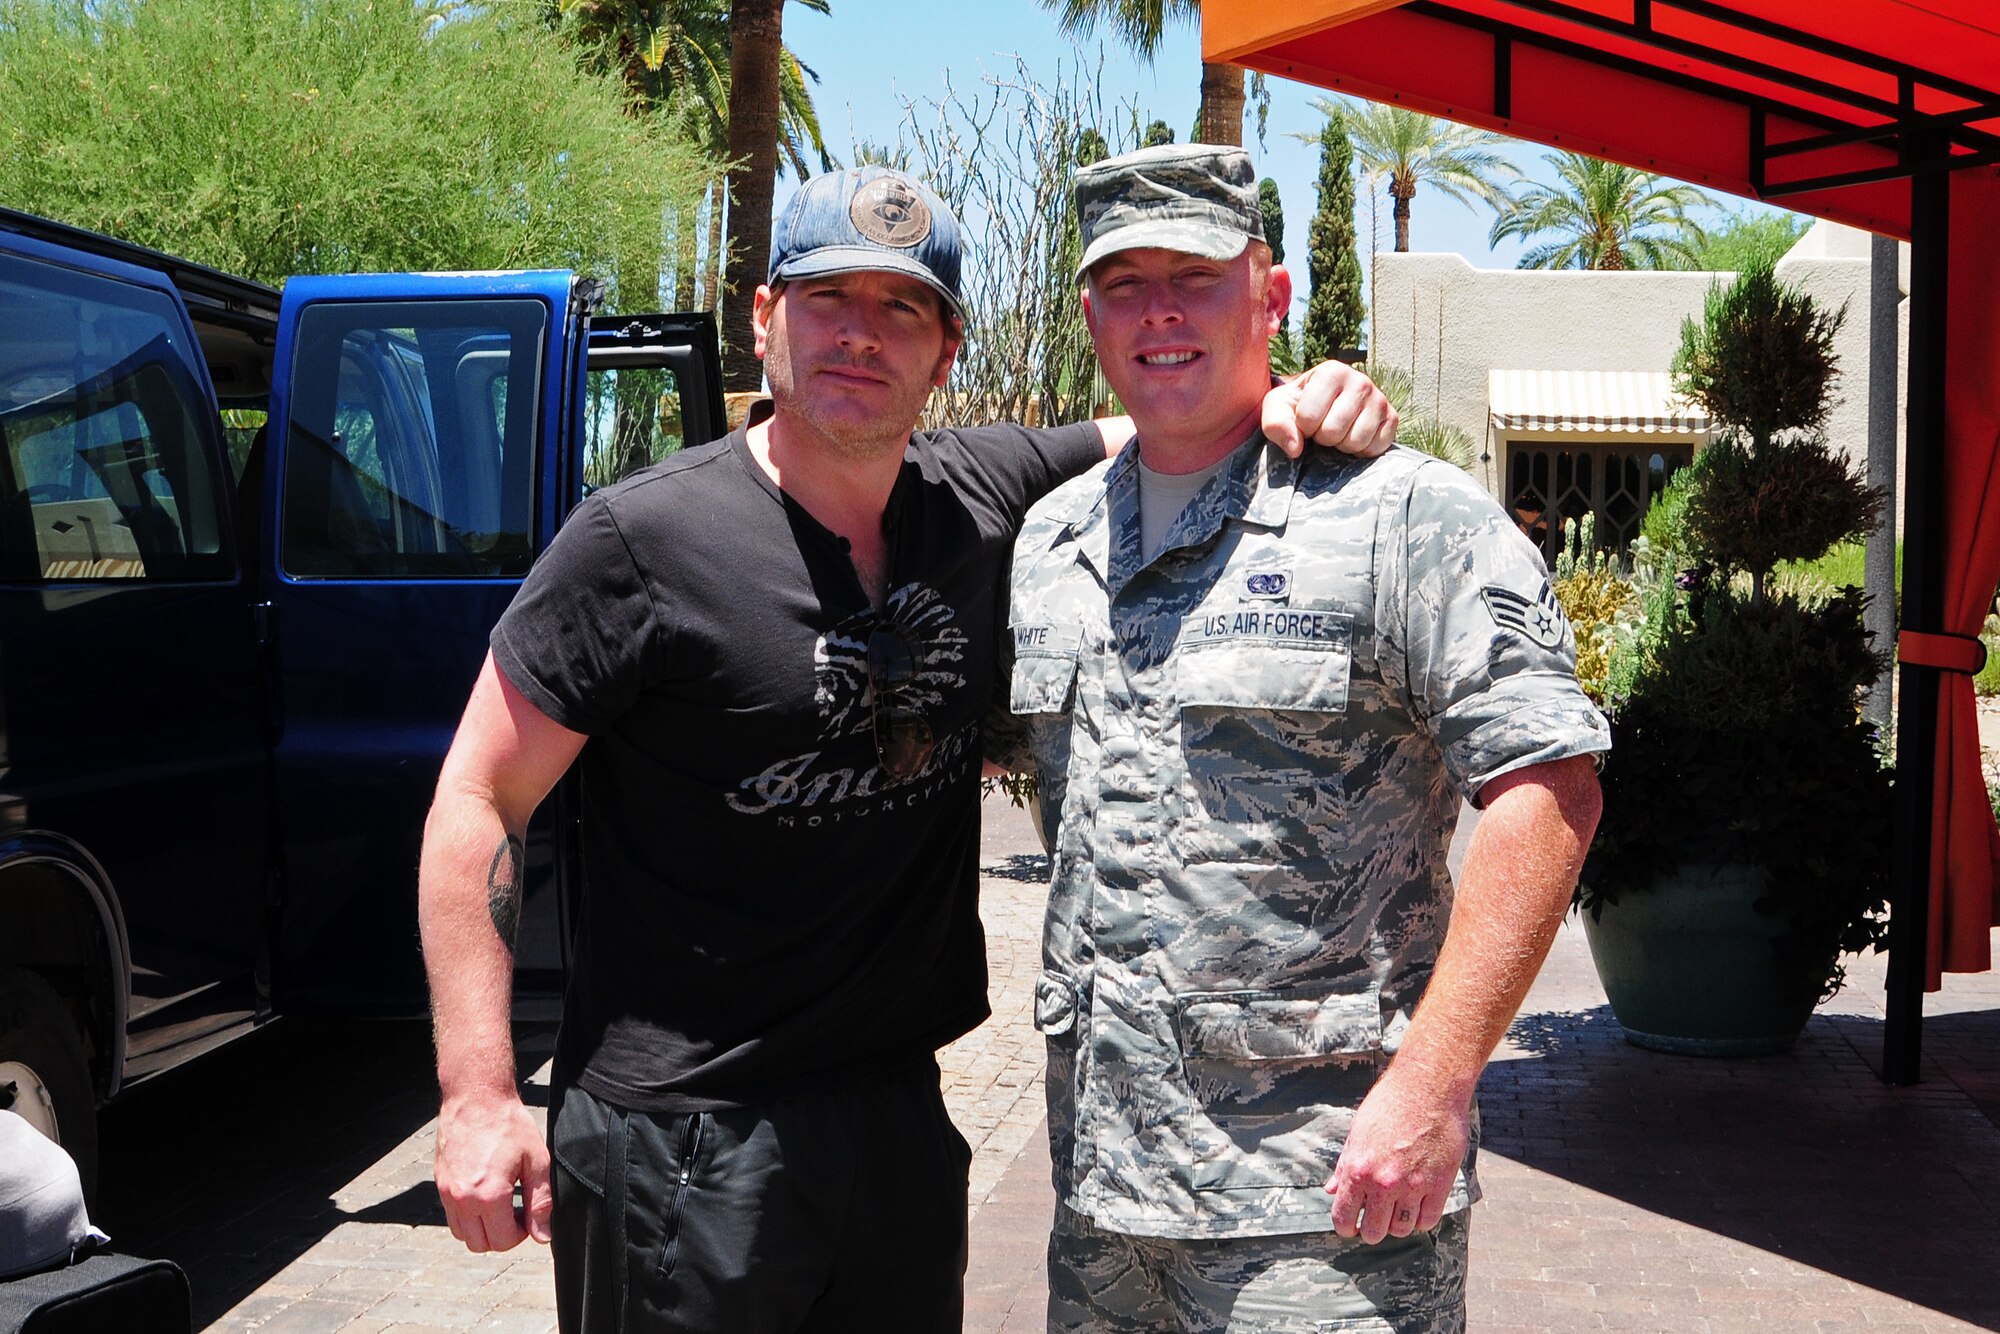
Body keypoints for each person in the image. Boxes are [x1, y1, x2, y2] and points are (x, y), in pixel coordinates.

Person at [417, 164, 1397, 1334]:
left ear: (944, 349)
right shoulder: (639, 542)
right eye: (830, 299)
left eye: (902, 310)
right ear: (765, 316)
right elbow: (477, 797)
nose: (860, 337)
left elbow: (1182, 404)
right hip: (683, 1137)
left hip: (894, 1121)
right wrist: (477, 1093)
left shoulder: (982, 493)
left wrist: (1310, 394)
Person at [1001, 143, 1610, 1333]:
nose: (1160, 309)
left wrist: (1433, 1087)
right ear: (1089, 313)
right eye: (1124, 282)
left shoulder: (1401, 514)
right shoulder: (1049, 543)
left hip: (1326, 1204)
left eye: (1198, 274)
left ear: (1270, 297)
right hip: (1103, 1206)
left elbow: (1549, 789)